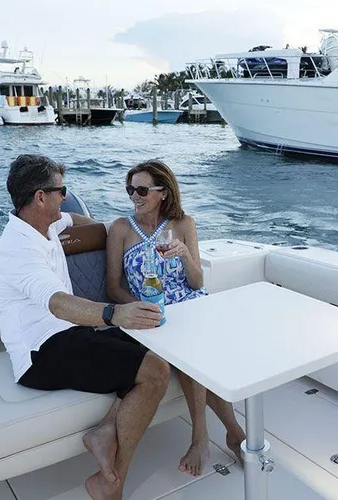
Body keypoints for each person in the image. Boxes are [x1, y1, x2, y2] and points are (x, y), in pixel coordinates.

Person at [0, 154, 170, 500]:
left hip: (66, 334)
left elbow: (73, 219)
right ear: (40, 197)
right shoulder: (18, 250)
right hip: (40, 352)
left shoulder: (41, 224)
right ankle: (111, 484)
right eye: (62, 190)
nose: (65, 195)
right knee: (156, 371)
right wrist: (113, 314)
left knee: (155, 341)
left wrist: (110, 229)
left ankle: (104, 431)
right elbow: (57, 302)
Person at [106, 159, 246, 477]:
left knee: (193, 346)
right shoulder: (120, 229)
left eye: (142, 189)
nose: (134, 196)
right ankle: (228, 434)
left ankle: (205, 437)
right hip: (151, 315)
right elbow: (113, 287)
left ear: (164, 193)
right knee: (189, 350)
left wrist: (183, 253)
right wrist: (139, 309)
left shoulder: (184, 224)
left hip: (191, 306)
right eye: (131, 189)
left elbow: (197, 283)